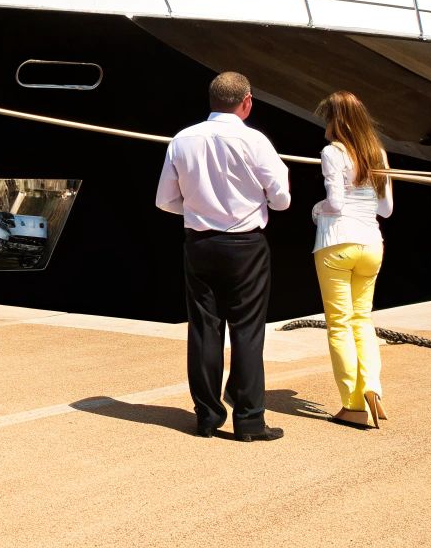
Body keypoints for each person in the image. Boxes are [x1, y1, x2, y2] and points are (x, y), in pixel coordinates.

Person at [157, 71, 291, 442]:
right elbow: (282, 199)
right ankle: (249, 420)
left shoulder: (183, 139)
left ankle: (206, 416)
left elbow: (165, 200)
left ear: (211, 100)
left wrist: (200, 208)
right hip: (246, 245)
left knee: (204, 329)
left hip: (199, 243)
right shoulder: (255, 140)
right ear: (246, 102)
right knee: (247, 330)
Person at [310, 90, 394, 430]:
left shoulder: (333, 152)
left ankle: (353, 404)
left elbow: (336, 203)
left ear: (336, 120)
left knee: (339, 325)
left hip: (337, 244)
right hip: (372, 244)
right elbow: (386, 209)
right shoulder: (379, 153)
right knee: (363, 320)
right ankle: (372, 386)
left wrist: (316, 210)